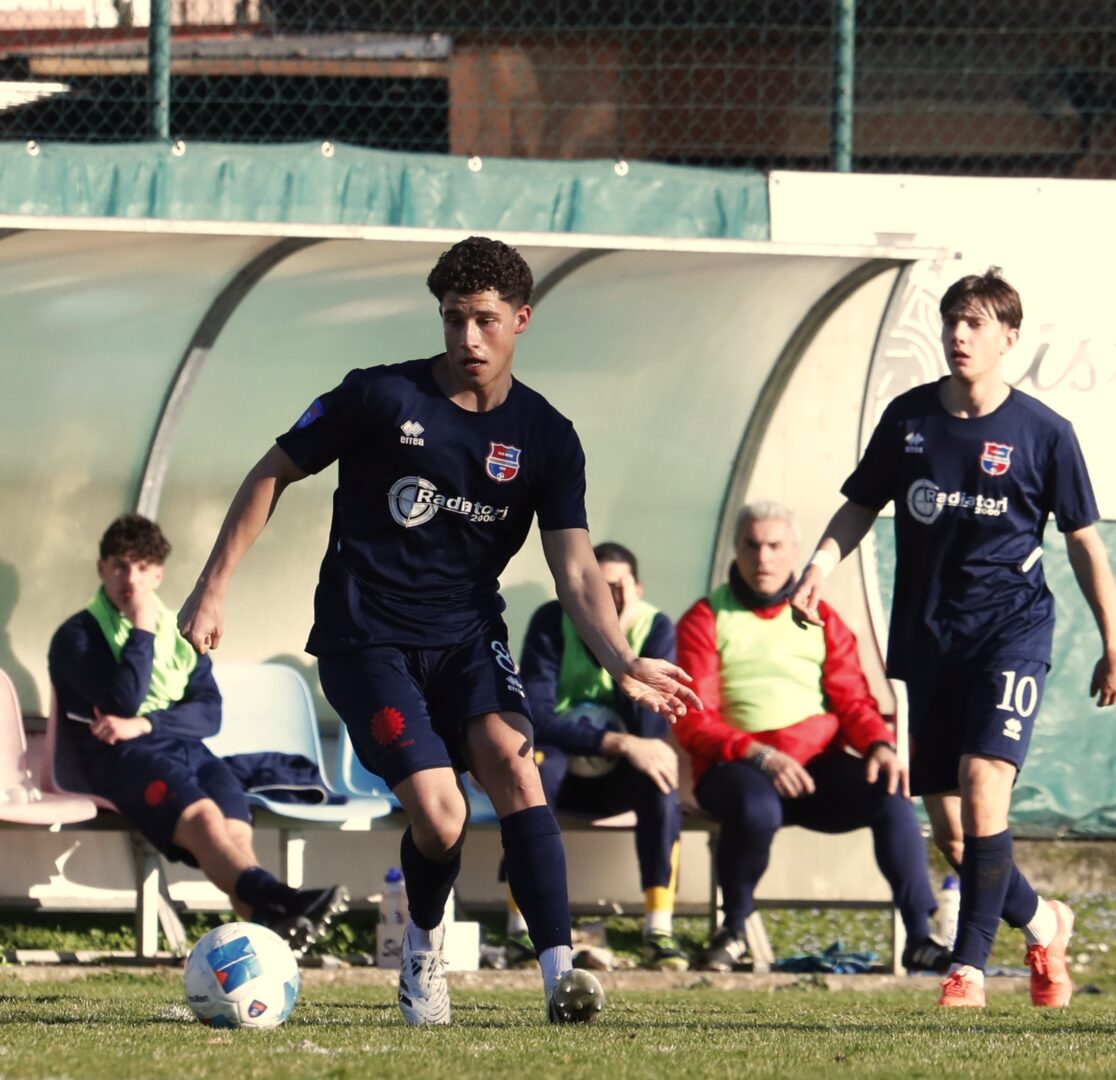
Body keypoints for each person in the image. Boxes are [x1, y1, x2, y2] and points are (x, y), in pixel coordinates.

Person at [177, 236, 700, 1027]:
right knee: (442, 813)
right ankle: (422, 949)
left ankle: (560, 977)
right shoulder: (379, 397)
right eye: (454, 319)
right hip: (367, 640)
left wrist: (622, 658)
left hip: (466, 636)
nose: (468, 338)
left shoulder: (546, 436)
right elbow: (271, 471)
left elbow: (576, 571)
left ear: (521, 320)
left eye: (485, 320)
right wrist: (212, 588)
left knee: (516, 767)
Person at [790, 269, 1116, 1009]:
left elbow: (1083, 542)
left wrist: (1115, 641)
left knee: (984, 787)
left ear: (1009, 337)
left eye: (975, 323)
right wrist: (817, 567)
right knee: (954, 832)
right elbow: (859, 504)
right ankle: (1044, 924)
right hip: (929, 640)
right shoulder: (910, 419)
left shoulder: (1045, 434)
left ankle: (966, 970)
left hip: (1010, 633)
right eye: (951, 320)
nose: (959, 334)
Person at [48, 514, 347, 954]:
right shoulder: (77, 636)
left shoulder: (179, 632)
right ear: (102, 569)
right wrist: (142, 627)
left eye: (142, 567)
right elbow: (124, 700)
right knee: (205, 820)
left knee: (236, 834)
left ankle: (268, 949)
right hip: (121, 758)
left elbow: (209, 713)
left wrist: (148, 723)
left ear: (158, 574)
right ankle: (281, 900)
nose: (130, 579)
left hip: (186, 748)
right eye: (120, 566)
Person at [675, 501, 950, 975]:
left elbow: (853, 700)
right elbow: (694, 719)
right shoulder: (705, 618)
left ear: (795, 552)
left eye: (774, 546)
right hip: (738, 767)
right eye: (752, 545)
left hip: (816, 768)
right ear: (736, 549)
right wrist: (760, 755)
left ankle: (919, 936)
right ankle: (733, 930)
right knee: (755, 808)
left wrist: (880, 745)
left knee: (891, 793)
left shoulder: (822, 617)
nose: (763, 557)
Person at [519, 541, 686, 971]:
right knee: (531, 774)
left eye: (619, 587)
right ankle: (522, 927)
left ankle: (659, 928)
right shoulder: (551, 621)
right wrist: (618, 743)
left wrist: (622, 650)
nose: (609, 596)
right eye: (599, 586)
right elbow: (536, 718)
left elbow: (650, 731)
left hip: (617, 782)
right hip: (563, 772)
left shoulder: (655, 627)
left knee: (660, 780)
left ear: (638, 589)